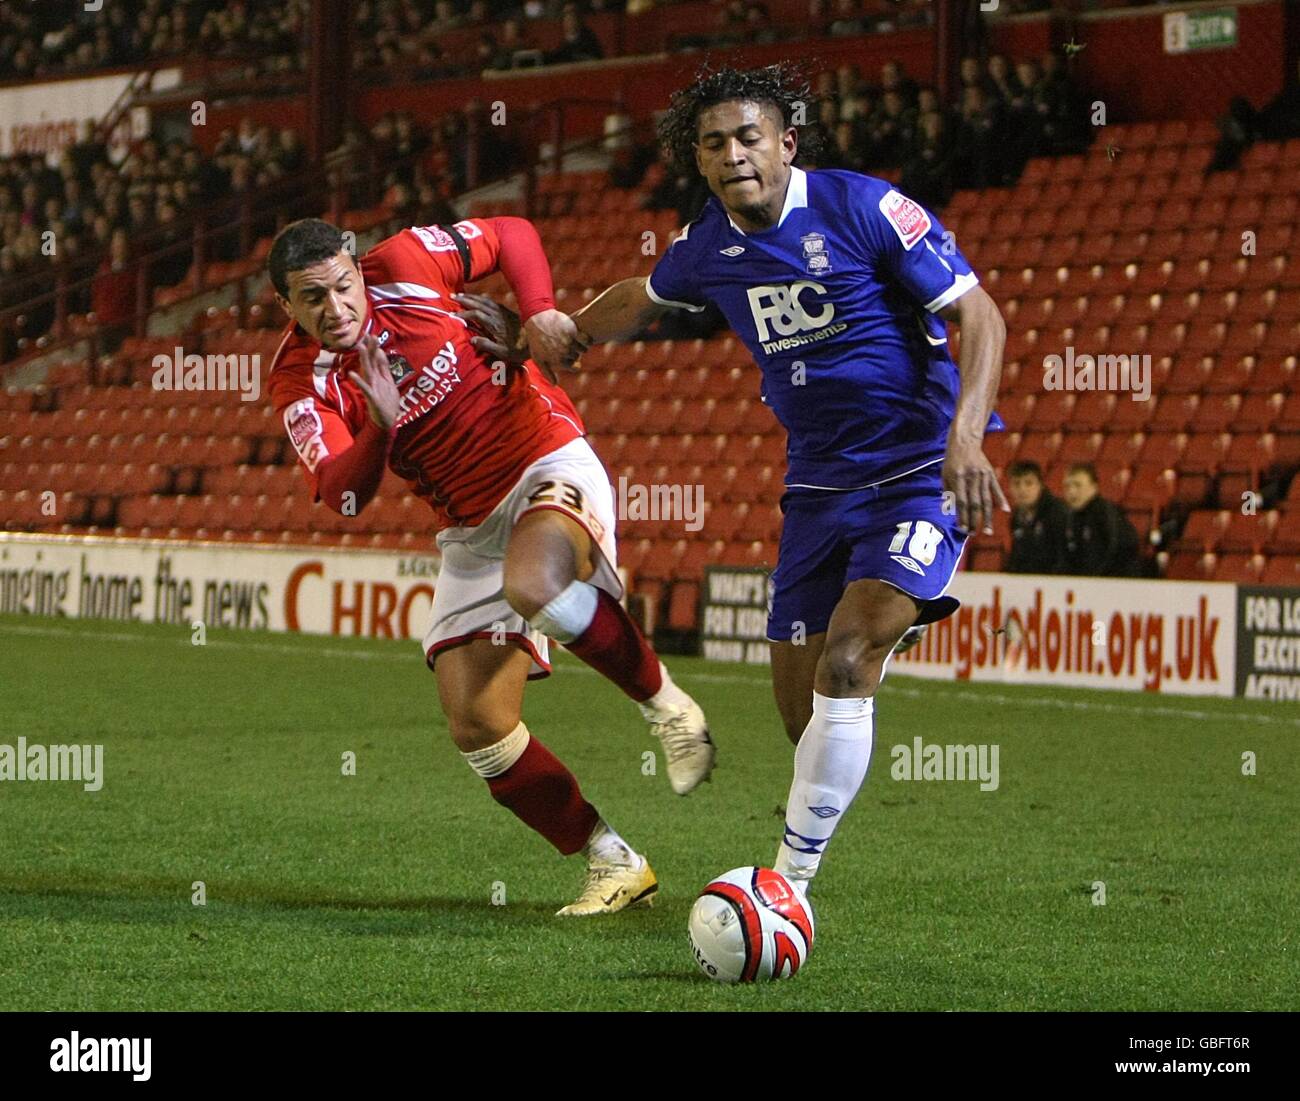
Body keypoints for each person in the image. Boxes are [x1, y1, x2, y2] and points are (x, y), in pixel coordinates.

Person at [549, 64, 1007, 899]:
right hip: (816, 490)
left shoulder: (864, 207)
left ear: (786, 142)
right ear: (700, 160)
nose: (734, 155)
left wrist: (966, 441)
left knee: (847, 656)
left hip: (915, 470)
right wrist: (567, 331)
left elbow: (979, 313)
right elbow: (642, 299)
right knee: (804, 720)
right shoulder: (707, 247)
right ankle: (806, 833)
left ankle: (788, 888)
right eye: (715, 143)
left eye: (749, 136)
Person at [265, 215, 714, 916]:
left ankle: (670, 710)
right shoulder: (301, 380)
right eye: (313, 297)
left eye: (343, 286)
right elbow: (342, 495)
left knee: (535, 584)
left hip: (545, 458)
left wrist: (537, 314)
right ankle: (613, 860)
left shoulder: (409, 263)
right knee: (476, 720)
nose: (337, 307)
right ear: (285, 306)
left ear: (357, 268)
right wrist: (379, 429)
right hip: (470, 527)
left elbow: (511, 233)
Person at [1061, 463, 1140, 577]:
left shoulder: (1106, 513)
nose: (1072, 491)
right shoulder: (1071, 517)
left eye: (1078, 485)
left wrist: (1097, 578)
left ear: (1094, 487)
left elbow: (1119, 549)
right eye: (1067, 486)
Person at [1005, 459, 1068, 574]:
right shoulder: (1016, 517)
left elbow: (1063, 556)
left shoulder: (1058, 513)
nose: (1022, 489)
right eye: (1016, 484)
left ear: (1040, 486)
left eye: (1028, 483)